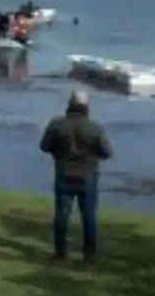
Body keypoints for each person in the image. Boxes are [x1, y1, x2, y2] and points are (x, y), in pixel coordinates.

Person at [39, 90, 112, 263]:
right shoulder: (95, 128)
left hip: (64, 174)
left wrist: (58, 152)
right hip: (87, 176)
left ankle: (60, 253)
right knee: (89, 216)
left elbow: (44, 146)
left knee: (62, 215)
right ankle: (89, 255)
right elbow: (107, 152)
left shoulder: (56, 125)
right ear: (86, 106)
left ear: (69, 103)